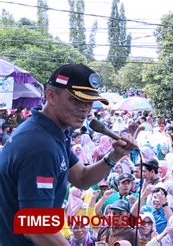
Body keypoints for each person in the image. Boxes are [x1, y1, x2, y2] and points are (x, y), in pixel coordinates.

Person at [0, 64, 135, 246]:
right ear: (51, 95)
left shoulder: (53, 132)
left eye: (88, 102)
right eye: (76, 100)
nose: (85, 109)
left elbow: (81, 178)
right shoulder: (41, 146)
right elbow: (35, 227)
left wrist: (115, 155)